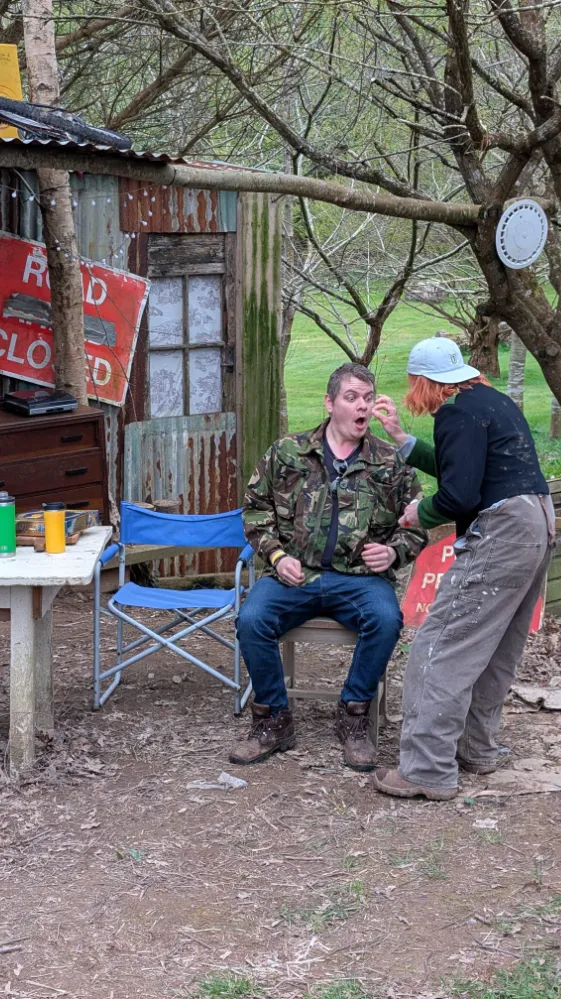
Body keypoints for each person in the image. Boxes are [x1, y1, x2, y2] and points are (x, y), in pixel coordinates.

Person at [372, 336, 555, 801]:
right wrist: (403, 441)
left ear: (424, 382)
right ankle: (477, 747)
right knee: (495, 646)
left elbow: (459, 496)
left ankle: (427, 769)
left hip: (501, 531)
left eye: (415, 385)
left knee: (441, 646)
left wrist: (420, 513)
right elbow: (464, 468)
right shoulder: (489, 401)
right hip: (536, 522)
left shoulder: (454, 412)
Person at [230, 362, 427, 771]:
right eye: (351, 397)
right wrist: (277, 557)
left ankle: (353, 718)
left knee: (386, 619)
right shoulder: (289, 452)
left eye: (368, 398)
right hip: (293, 574)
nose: (362, 406)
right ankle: (273, 720)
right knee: (251, 619)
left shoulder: (390, 462)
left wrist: (393, 553)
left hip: (359, 580)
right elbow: (255, 513)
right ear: (330, 402)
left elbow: (417, 524)